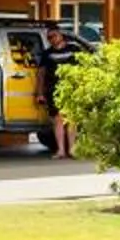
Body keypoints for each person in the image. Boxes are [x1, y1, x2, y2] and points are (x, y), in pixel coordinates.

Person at [38, 22, 81, 160]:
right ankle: (61, 150)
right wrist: (40, 93)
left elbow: (83, 67)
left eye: (54, 36)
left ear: (61, 35)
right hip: (53, 90)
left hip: (72, 89)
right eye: (49, 38)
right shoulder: (47, 54)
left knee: (72, 119)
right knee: (58, 120)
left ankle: (73, 150)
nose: (52, 39)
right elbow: (41, 74)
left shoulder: (74, 49)